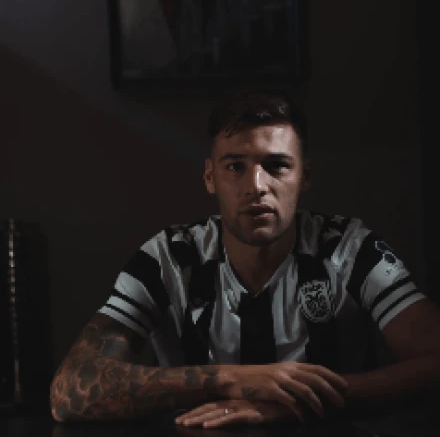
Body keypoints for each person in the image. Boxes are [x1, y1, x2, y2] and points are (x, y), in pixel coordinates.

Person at [50, 88, 440, 428]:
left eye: (277, 166)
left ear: (304, 176)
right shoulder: (169, 258)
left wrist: (292, 404)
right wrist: (231, 379)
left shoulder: (348, 248)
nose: (256, 186)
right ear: (210, 177)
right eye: (235, 167)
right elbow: (69, 392)